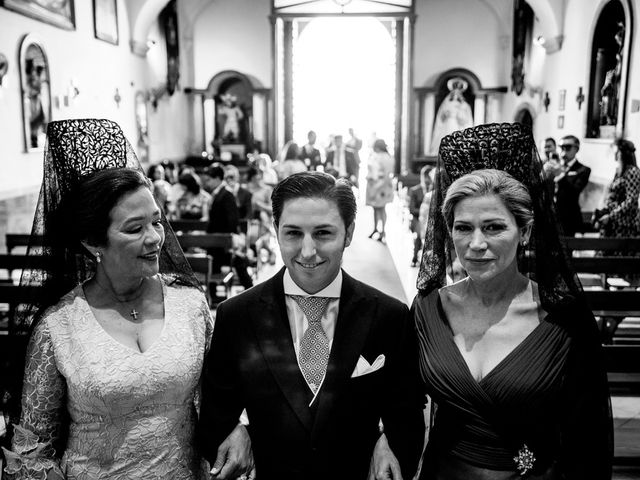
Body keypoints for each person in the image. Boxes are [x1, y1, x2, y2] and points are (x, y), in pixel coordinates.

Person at [1, 118, 213, 479]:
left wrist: (237, 428)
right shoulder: (59, 327)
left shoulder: (190, 305)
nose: (155, 239)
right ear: (93, 242)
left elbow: (218, 396)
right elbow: (32, 449)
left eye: (157, 222)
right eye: (135, 228)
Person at [413, 123, 612, 479]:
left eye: (493, 227)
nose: (476, 244)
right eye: (463, 227)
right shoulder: (429, 309)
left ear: (526, 231)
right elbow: (403, 396)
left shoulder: (563, 318)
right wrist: (382, 437)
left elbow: (588, 436)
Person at [198, 171, 425, 480]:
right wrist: (236, 430)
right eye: (293, 234)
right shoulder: (236, 315)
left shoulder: (389, 316)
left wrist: (389, 439)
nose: (307, 251)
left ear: (348, 233)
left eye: (323, 234)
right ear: (276, 230)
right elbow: (215, 410)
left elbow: (407, 410)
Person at [205, 164, 254, 290]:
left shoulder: (226, 194)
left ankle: (249, 288)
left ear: (217, 178)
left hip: (223, 241)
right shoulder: (218, 194)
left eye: (209, 179)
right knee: (237, 263)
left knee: (238, 263)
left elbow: (232, 220)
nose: (208, 182)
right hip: (217, 240)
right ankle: (214, 293)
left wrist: (225, 238)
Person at [593, 138, 640, 239]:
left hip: (623, 223)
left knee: (617, 252)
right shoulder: (619, 171)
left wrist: (611, 216)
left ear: (623, 153)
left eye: (617, 152)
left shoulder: (632, 172)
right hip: (611, 221)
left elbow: (631, 200)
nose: (615, 155)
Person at [547, 135, 591, 236]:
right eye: (561, 147)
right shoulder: (553, 166)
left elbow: (574, 192)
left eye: (567, 147)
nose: (563, 151)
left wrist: (561, 176)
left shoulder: (583, 170)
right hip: (550, 218)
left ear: (576, 149)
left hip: (569, 220)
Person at [365, 139, 395, 243]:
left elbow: (387, 174)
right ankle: (375, 228)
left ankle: (383, 231)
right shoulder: (374, 156)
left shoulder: (386, 157)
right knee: (375, 208)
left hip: (382, 185)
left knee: (381, 208)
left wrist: (380, 186)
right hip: (374, 185)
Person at [408, 165, 433, 267]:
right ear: (422, 177)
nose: (427, 179)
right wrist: (425, 211)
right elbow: (412, 209)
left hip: (431, 220)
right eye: (425, 176)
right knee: (420, 232)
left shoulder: (434, 192)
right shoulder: (414, 190)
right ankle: (415, 258)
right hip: (417, 219)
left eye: (429, 177)